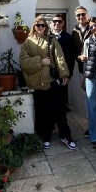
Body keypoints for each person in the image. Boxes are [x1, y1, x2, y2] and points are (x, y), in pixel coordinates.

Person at [19, 15, 77, 151]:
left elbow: (60, 58)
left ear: (46, 27)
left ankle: (66, 136)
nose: (40, 28)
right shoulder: (28, 43)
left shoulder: (52, 40)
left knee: (60, 110)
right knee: (42, 112)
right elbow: (24, 62)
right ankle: (45, 137)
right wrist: (40, 61)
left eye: (42, 25)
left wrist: (64, 74)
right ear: (34, 26)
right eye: (38, 25)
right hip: (37, 83)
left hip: (51, 81)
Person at [71, 5, 92, 138]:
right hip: (81, 69)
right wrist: (78, 57)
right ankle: (91, 125)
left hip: (95, 69)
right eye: (78, 15)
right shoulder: (74, 31)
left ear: (87, 14)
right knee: (86, 98)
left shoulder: (94, 27)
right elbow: (73, 50)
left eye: (83, 14)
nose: (81, 17)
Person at [83, 17, 96, 148]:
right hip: (91, 76)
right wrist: (83, 80)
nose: (94, 28)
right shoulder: (87, 42)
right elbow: (85, 61)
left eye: (95, 25)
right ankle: (95, 136)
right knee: (92, 106)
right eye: (91, 27)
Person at [51, 13, 75, 111]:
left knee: (61, 96)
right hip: (50, 72)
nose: (57, 23)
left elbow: (71, 58)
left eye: (59, 21)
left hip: (63, 72)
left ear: (63, 23)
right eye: (55, 21)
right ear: (52, 23)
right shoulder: (47, 36)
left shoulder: (68, 37)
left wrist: (69, 75)